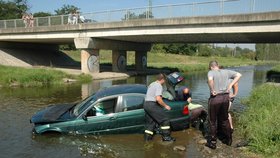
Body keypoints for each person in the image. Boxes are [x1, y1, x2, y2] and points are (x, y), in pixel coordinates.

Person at [206, 61, 242, 149]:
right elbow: (239, 75)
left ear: (211, 67)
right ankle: (229, 139)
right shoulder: (226, 71)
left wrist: (212, 89)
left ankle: (212, 142)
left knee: (212, 121)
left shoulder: (211, 72)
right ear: (217, 66)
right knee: (225, 119)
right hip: (225, 98)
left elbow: (210, 80)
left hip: (215, 98)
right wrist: (231, 85)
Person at [143, 73, 176, 142]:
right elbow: (158, 99)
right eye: (165, 80)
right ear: (163, 79)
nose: (165, 82)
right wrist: (165, 106)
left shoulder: (152, 84)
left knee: (150, 123)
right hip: (152, 104)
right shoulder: (159, 86)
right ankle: (166, 137)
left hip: (146, 104)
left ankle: (147, 139)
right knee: (165, 120)